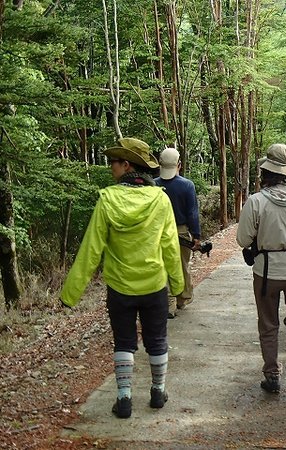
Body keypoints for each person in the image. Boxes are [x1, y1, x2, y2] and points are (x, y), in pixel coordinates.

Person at [60, 137, 184, 419]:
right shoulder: (160, 199)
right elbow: (170, 246)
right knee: (157, 338)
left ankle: (124, 399)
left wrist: (70, 294)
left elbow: (91, 250)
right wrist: (178, 285)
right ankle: (157, 392)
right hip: (154, 284)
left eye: (113, 162)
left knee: (124, 341)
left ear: (127, 165)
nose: (110, 167)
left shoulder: (107, 200)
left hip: (120, 287)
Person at [236, 143, 286, 394]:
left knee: (268, 323)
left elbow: (243, 239)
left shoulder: (256, 201)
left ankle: (271, 375)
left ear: (266, 172)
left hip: (267, 271)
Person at [154, 147, 202, 318]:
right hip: (181, 232)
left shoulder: (153, 184)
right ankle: (181, 299)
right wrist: (196, 236)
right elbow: (192, 213)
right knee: (181, 266)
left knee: (163, 268)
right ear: (179, 165)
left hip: (157, 233)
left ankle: (167, 303)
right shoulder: (187, 185)